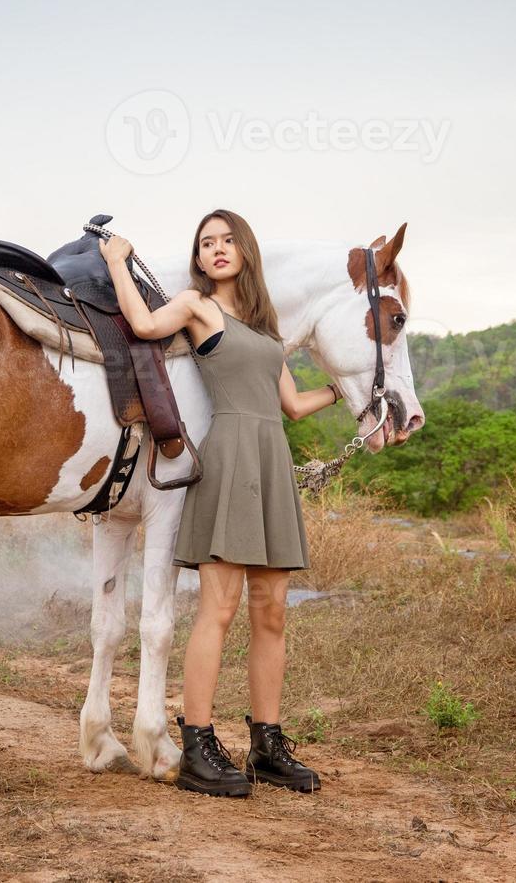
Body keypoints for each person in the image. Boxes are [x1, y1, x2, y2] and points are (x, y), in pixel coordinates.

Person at [100, 209, 344, 798]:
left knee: (273, 610)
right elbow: (140, 322)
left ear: (246, 249)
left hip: (271, 460)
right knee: (221, 606)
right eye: (206, 243)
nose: (216, 249)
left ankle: (266, 744)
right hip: (231, 456)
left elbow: (291, 403)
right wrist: (116, 262)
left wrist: (348, 390)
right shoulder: (195, 306)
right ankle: (199, 743)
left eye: (227, 240)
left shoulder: (267, 327)